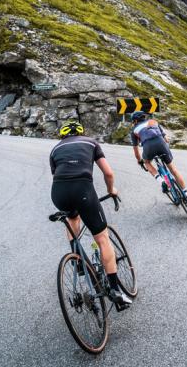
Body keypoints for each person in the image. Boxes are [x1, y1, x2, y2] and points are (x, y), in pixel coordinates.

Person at [50, 120, 132, 308]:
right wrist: (112, 190)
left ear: (63, 135)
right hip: (83, 190)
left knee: (72, 217)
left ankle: (77, 259)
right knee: (102, 238)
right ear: (81, 132)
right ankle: (115, 291)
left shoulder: (55, 149)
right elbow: (108, 173)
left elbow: (58, 176)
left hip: (58, 192)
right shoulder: (91, 142)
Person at [130, 111, 187, 203]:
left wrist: (140, 161)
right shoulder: (153, 122)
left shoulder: (134, 130)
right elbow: (166, 139)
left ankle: (162, 181)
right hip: (161, 143)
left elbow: (136, 150)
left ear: (135, 121)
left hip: (148, 146)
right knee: (173, 170)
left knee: (147, 162)